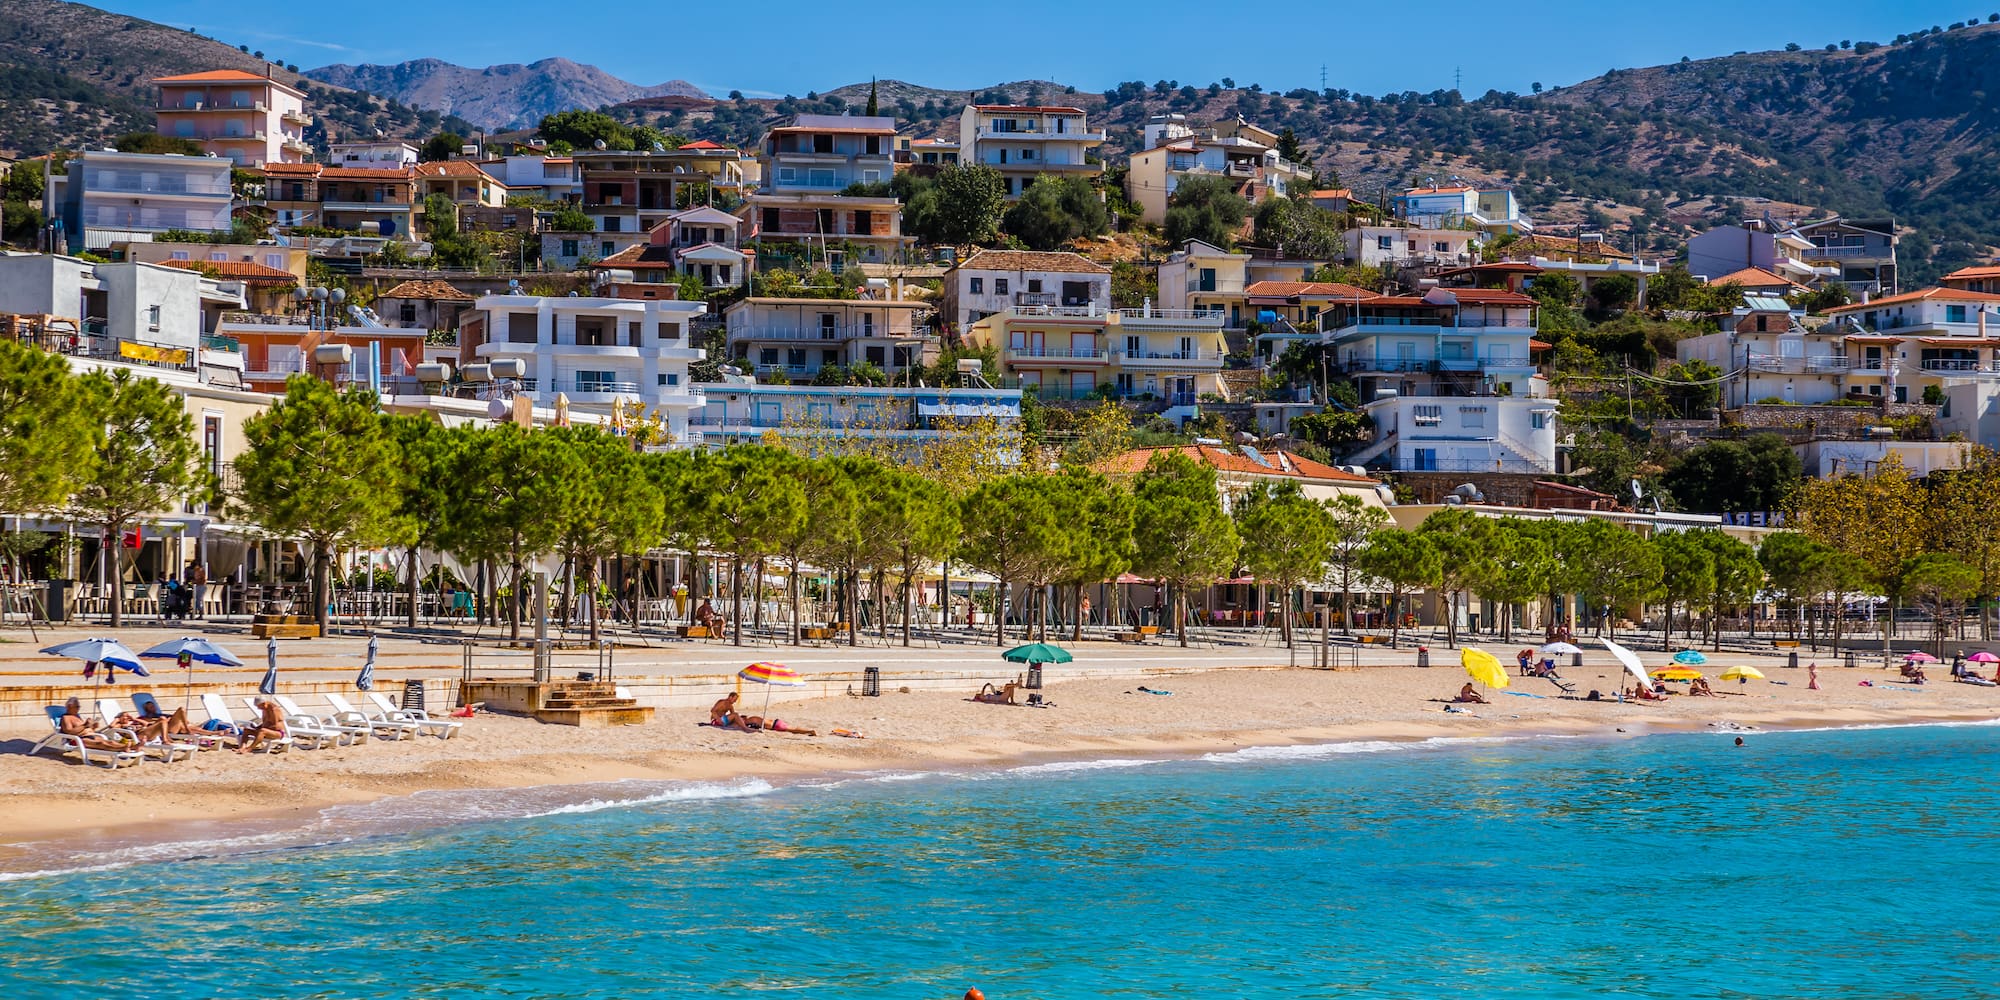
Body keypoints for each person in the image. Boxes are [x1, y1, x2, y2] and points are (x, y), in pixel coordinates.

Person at [58, 698, 136, 753]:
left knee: (110, 742)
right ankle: (124, 748)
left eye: (79, 706)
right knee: (101, 744)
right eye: (77, 706)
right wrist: (85, 725)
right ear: (69, 706)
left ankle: (132, 747)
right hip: (79, 740)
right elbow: (69, 732)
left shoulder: (77, 716)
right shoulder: (66, 718)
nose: (78, 708)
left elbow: (86, 729)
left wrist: (93, 726)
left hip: (90, 735)